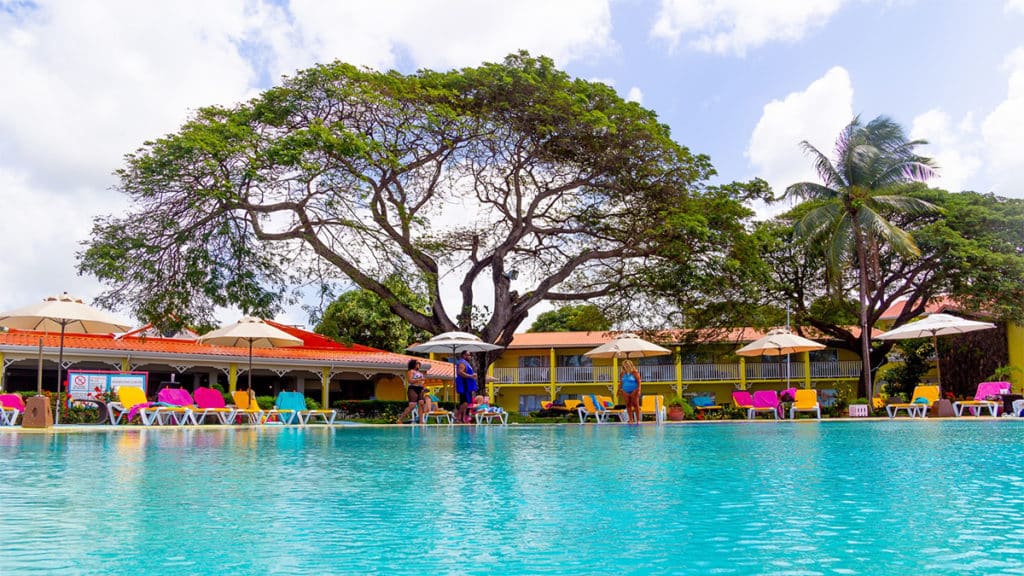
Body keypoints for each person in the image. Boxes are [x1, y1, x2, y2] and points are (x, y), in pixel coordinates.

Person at [397, 359, 426, 424]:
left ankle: (421, 421)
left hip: (420, 388)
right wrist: (418, 380)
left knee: (421, 404)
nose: (418, 365)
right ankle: (400, 419)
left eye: (419, 363)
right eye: (417, 363)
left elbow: (422, 382)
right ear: (413, 364)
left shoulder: (420, 373)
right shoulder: (411, 371)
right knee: (412, 405)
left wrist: (423, 385)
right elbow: (410, 381)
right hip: (413, 388)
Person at [454, 350, 478, 423]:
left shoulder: (466, 363)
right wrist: (471, 376)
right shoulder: (462, 362)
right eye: (468, 355)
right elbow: (460, 372)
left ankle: (462, 418)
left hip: (467, 385)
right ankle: (457, 416)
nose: (470, 357)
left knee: (464, 402)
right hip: (465, 385)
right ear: (464, 355)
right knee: (466, 401)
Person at [619, 359, 642, 424]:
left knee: (635, 404)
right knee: (628, 404)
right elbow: (621, 382)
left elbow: (639, 383)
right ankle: (631, 419)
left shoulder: (635, 372)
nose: (626, 366)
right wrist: (619, 390)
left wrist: (638, 390)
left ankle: (638, 420)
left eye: (627, 365)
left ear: (630, 365)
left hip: (634, 390)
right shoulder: (622, 373)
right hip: (625, 391)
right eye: (624, 365)